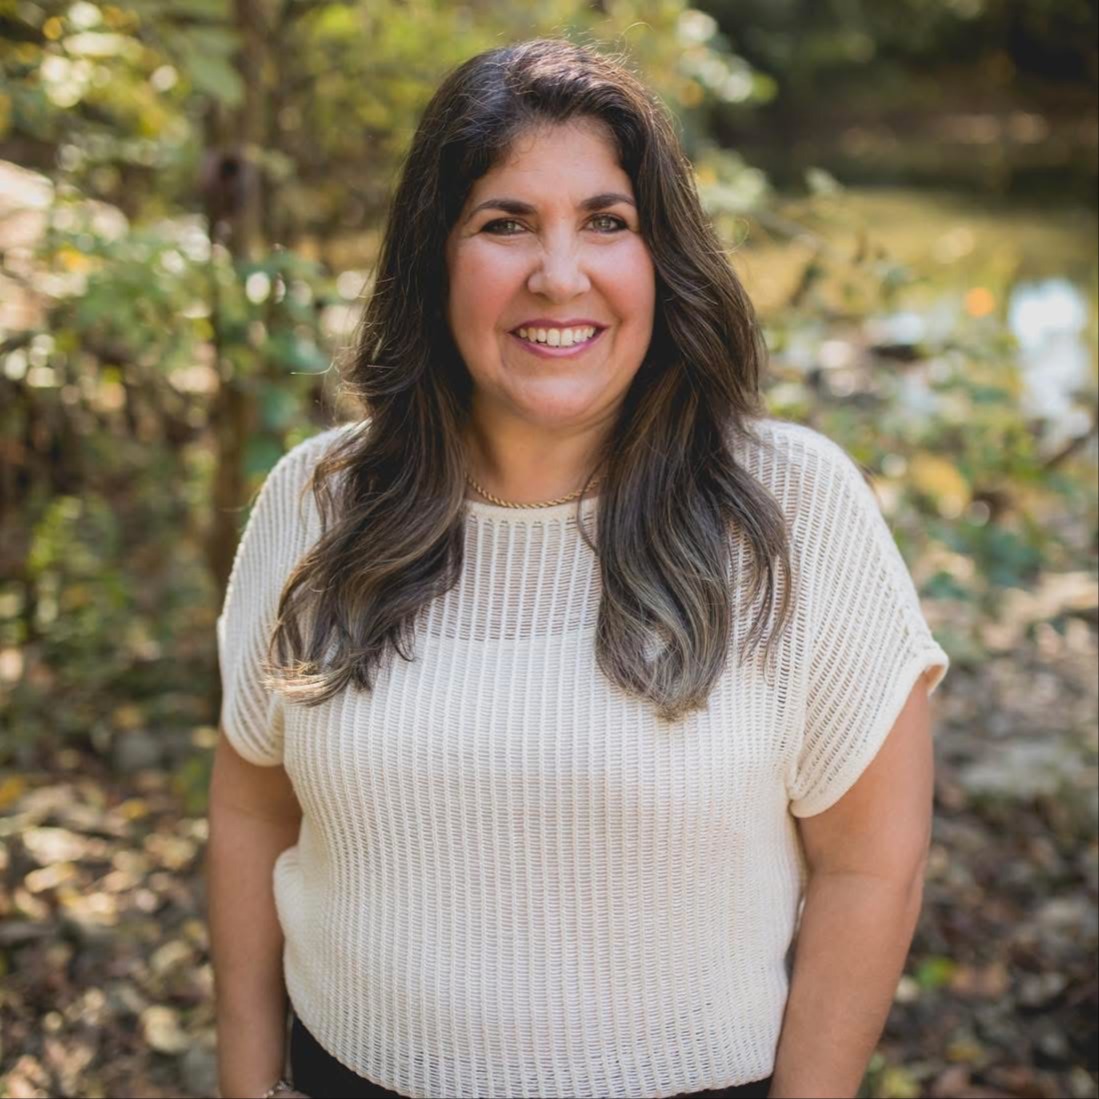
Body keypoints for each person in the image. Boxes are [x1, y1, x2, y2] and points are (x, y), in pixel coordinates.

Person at [206, 37, 950, 1099]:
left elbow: (872, 866)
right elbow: (249, 809)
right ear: (434, 257)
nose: (560, 274)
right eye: (505, 224)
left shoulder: (787, 511)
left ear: (661, 258)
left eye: (607, 222)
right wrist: (245, 1078)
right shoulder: (319, 502)